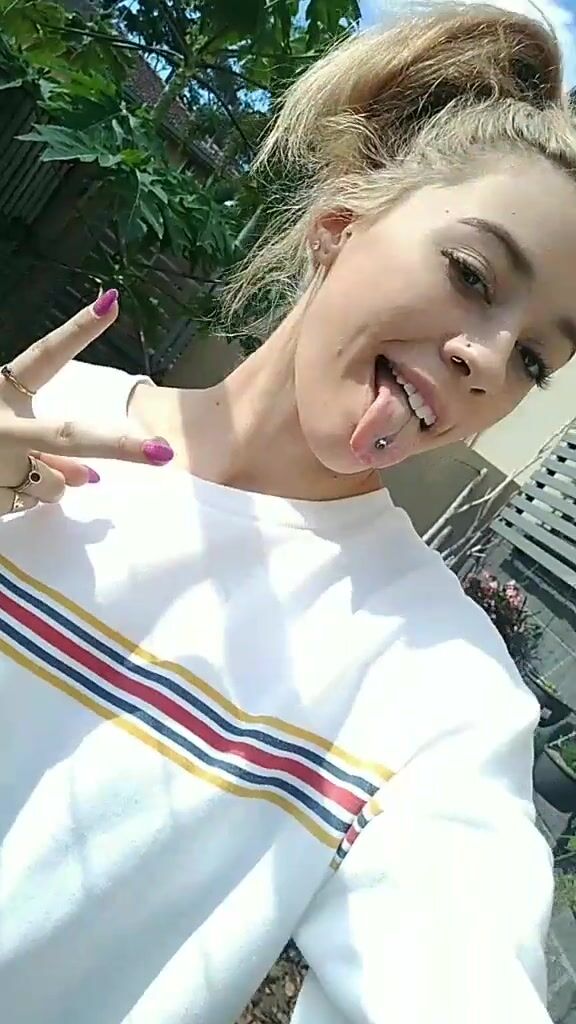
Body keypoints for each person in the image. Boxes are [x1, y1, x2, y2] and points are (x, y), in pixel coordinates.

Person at [0, 5, 573, 1022]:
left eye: (534, 358)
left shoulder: (438, 690)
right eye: (472, 276)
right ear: (340, 228)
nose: (487, 360)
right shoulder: (34, 423)